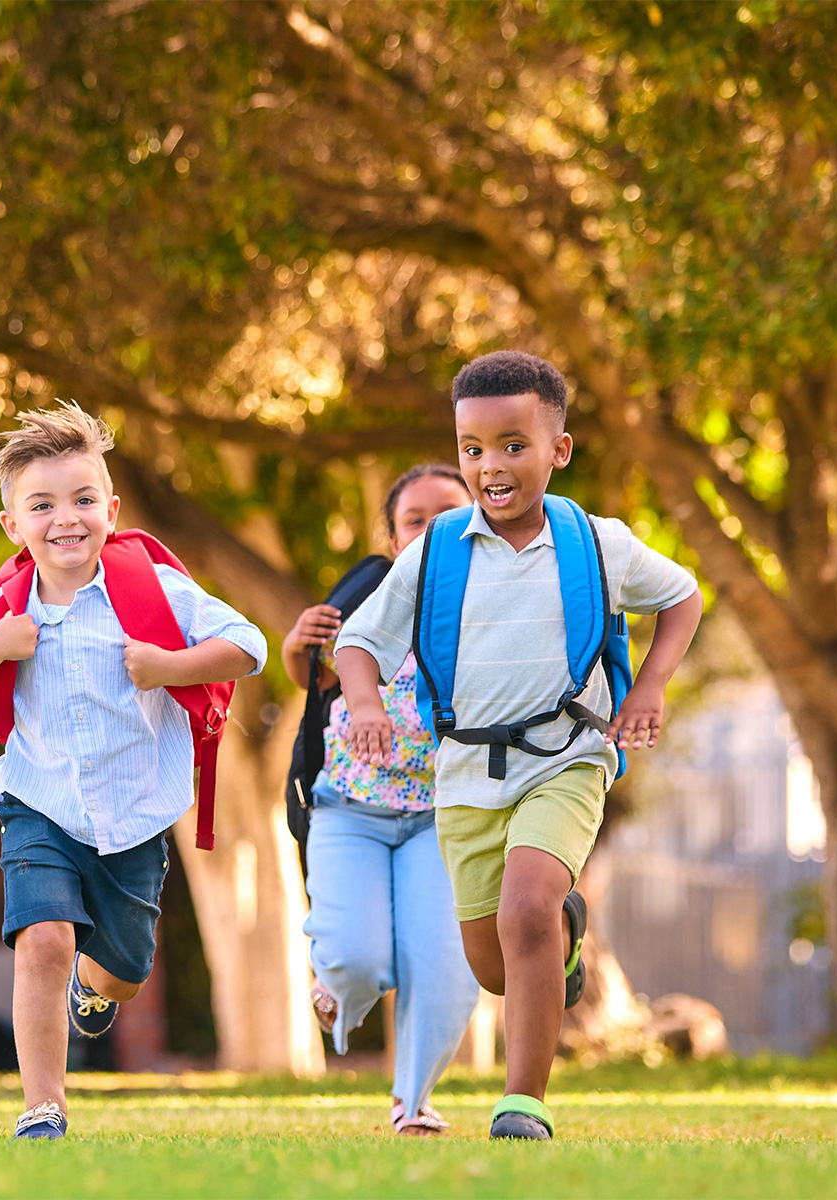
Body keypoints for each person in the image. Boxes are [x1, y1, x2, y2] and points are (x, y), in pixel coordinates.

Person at [333, 351, 703, 1141]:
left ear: (558, 450)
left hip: (567, 758)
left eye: (512, 444)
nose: (490, 466)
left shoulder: (596, 542)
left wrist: (650, 686)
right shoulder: (434, 551)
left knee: (529, 907)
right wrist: (363, 701)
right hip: (466, 773)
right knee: (495, 965)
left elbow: (682, 597)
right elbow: (360, 641)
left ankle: (523, 1103)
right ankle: (559, 947)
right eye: (472, 448)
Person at [0, 403, 266, 1140]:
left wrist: (171, 665)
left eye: (82, 500)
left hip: (133, 816)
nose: (65, 519)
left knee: (123, 973)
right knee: (42, 939)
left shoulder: (155, 595)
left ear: (111, 509)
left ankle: (91, 990)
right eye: (42, 505)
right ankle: (44, 1105)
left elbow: (248, 643)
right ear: (13, 525)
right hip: (37, 803)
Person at [282, 464, 480, 1136]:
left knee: (445, 967)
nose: (432, 531)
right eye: (415, 520)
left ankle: (414, 1100)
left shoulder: (497, 605)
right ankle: (338, 990)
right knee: (356, 956)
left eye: (449, 516)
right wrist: (294, 646)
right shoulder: (368, 603)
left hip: (443, 821)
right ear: (394, 539)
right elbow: (317, 677)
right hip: (350, 813)